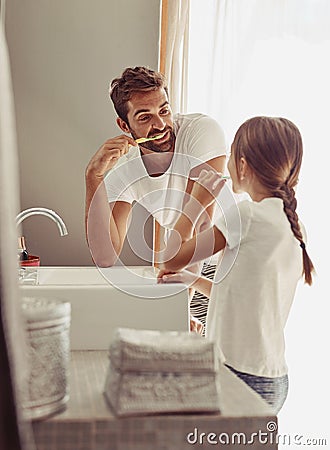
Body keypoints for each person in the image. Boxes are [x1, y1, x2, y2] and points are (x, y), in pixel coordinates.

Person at [158, 116, 315, 413]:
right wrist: (192, 281)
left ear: (242, 165)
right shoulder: (295, 228)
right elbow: (245, 296)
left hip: (239, 375)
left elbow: (170, 256)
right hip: (273, 377)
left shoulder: (245, 216)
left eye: (230, 154)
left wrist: (195, 200)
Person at [85, 66, 227, 332]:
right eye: (144, 117)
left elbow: (201, 222)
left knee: (223, 356)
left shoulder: (201, 131)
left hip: (221, 259)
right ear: (124, 125)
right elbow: (106, 255)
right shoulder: (125, 167)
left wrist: (176, 308)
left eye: (164, 110)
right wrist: (93, 177)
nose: (160, 124)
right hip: (179, 261)